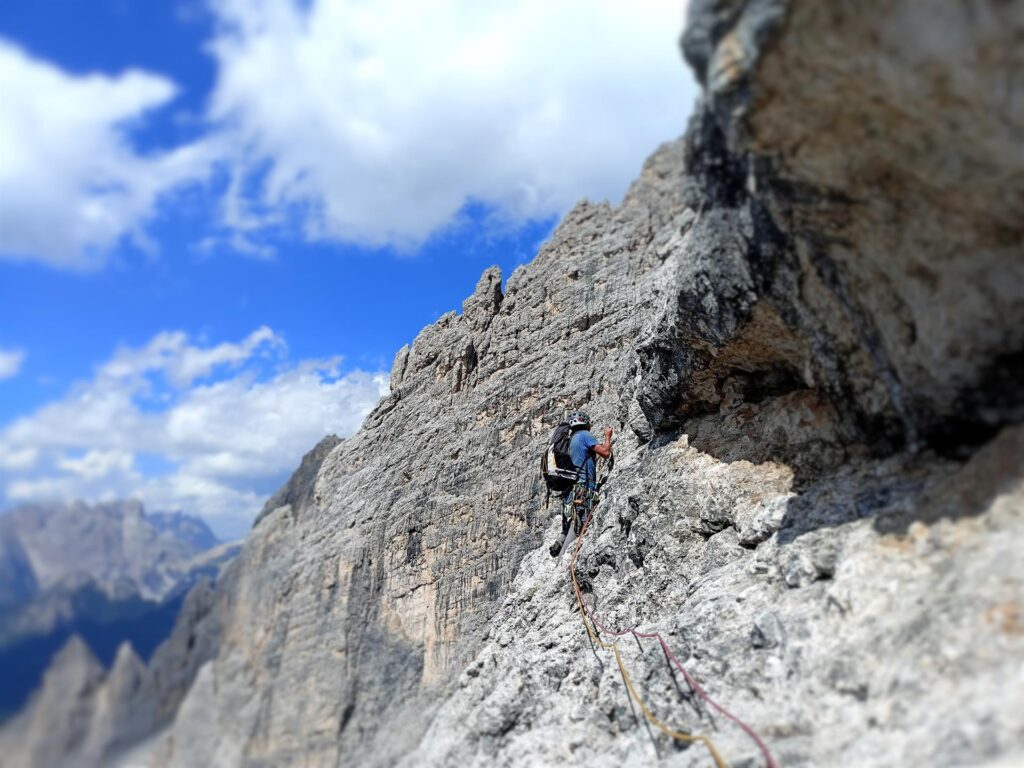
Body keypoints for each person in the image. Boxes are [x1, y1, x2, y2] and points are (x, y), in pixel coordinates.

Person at [549, 410, 612, 556]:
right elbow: (605, 453)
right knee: (580, 532)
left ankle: (561, 541)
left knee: (570, 527)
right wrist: (607, 437)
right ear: (585, 422)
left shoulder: (569, 440)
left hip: (570, 493)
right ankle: (566, 558)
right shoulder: (584, 435)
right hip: (583, 491)